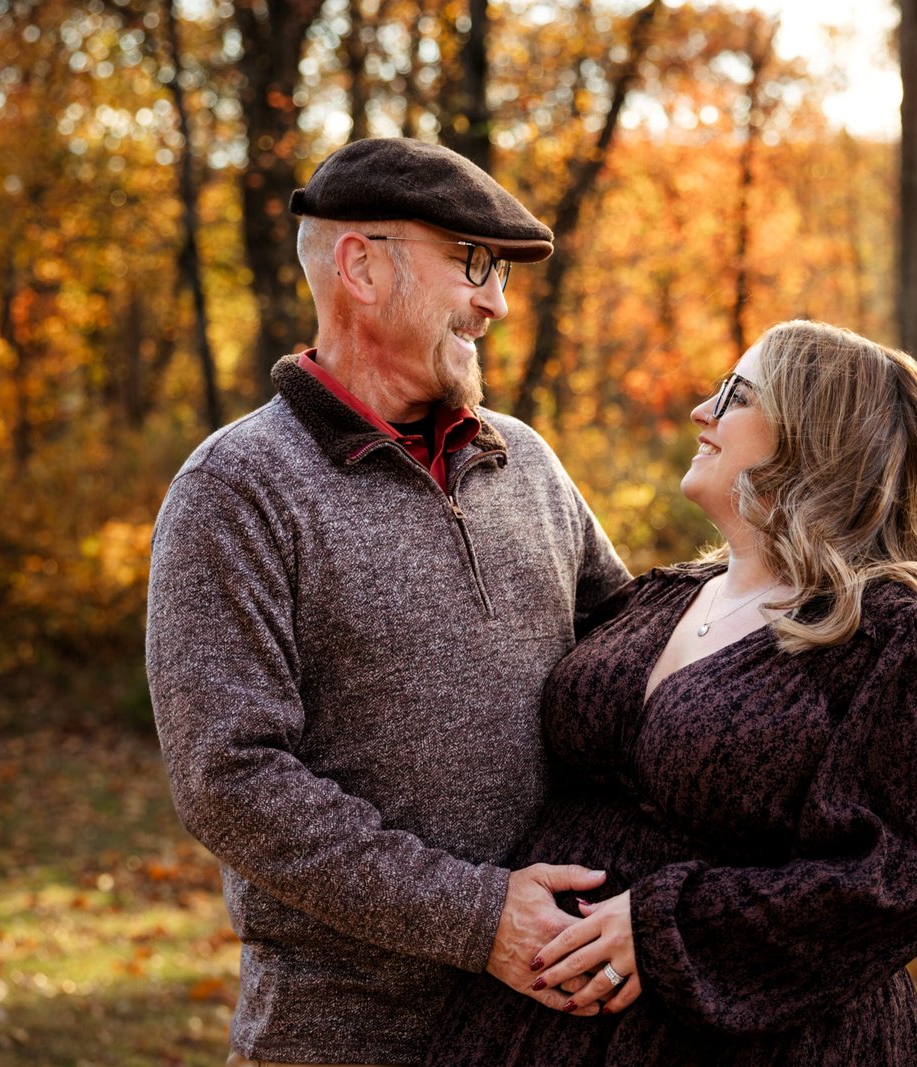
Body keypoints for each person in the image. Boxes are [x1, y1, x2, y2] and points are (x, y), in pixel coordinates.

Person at [145, 137, 630, 1067]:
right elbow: (232, 779)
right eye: (469, 264)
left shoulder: (523, 458)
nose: (495, 301)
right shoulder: (236, 488)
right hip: (344, 1032)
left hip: (550, 1027)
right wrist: (479, 915)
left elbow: (629, 655)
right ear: (360, 267)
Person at [426, 320, 917, 1065]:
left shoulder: (884, 637)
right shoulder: (661, 595)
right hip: (530, 1027)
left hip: (746, 1041)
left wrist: (669, 927)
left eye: (735, 394)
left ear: (810, 433)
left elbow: (913, 875)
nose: (702, 410)